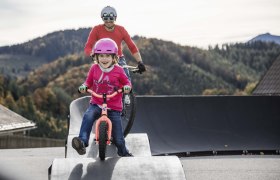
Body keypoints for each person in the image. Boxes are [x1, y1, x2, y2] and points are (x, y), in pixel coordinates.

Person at [72, 38, 133, 157]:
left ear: (114, 57)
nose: (104, 59)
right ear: (96, 57)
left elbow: (127, 82)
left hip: (114, 107)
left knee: (119, 138)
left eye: (107, 56)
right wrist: (84, 86)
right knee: (88, 116)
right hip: (96, 103)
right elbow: (88, 82)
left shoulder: (119, 70)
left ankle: (123, 152)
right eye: (101, 56)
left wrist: (126, 87)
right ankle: (82, 142)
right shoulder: (94, 69)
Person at [84, 5, 146, 80]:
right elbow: (88, 46)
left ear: (115, 18)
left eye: (111, 18)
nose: (108, 21)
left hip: (118, 59)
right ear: (102, 18)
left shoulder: (121, 30)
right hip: (102, 58)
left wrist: (140, 62)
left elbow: (131, 46)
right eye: (105, 18)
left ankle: (126, 91)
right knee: (95, 80)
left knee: (126, 81)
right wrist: (92, 54)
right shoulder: (96, 29)